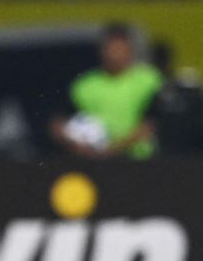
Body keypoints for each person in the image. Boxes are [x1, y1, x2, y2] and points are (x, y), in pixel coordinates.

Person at [50, 22, 163, 159]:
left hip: (138, 159)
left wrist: (115, 148)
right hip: (92, 159)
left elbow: (154, 121)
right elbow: (59, 123)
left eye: (120, 49)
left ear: (130, 50)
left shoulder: (150, 80)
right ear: (102, 50)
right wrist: (74, 143)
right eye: (111, 49)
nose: (115, 55)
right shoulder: (85, 85)